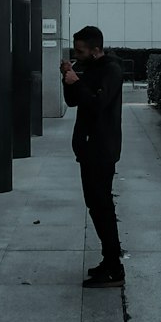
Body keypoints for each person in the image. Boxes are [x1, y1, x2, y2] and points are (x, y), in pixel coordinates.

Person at [60, 25, 124, 288]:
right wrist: (69, 79)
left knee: (102, 207)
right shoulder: (93, 68)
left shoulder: (111, 70)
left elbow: (98, 104)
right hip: (89, 148)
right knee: (96, 206)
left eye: (81, 50)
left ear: (96, 49)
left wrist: (78, 82)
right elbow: (75, 102)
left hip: (101, 149)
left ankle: (114, 267)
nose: (77, 54)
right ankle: (109, 262)